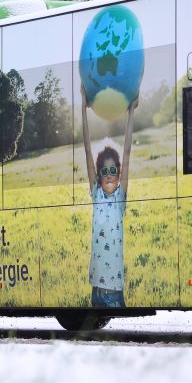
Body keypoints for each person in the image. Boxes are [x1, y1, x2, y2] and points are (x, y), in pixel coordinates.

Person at [80, 87, 135, 308]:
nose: (110, 176)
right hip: (97, 288)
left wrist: (131, 113)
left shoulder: (120, 197)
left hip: (115, 290)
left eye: (114, 171)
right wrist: (83, 110)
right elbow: (86, 151)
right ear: (99, 175)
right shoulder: (97, 194)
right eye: (105, 171)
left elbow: (128, 153)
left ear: (119, 174)